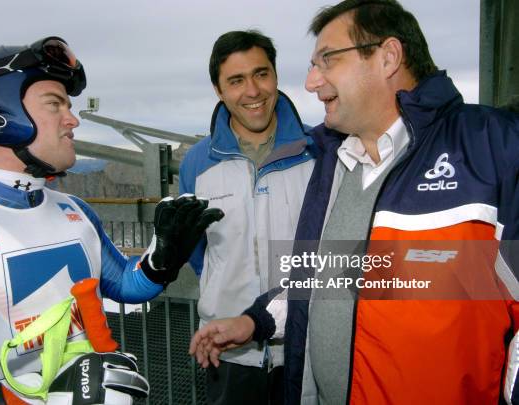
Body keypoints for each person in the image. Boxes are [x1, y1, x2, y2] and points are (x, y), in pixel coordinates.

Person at [190, 1, 519, 404]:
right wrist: (253, 321)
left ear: (388, 57)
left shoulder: (493, 148)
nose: (311, 82)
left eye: (327, 60)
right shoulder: (336, 164)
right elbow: (326, 279)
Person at [0, 36, 222, 404]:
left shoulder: (74, 209)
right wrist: (6, 399)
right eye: (55, 104)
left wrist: (161, 261)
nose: (72, 119)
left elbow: (124, 285)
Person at [179, 30, 317, 405]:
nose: (253, 91)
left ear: (275, 75)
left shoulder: (318, 152)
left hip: (306, 346)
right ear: (219, 90)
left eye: (261, 74)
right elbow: (199, 253)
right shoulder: (197, 163)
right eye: (236, 81)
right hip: (227, 349)